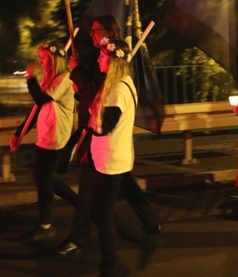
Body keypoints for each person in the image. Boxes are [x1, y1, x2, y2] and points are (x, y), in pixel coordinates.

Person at [58, 16, 160, 257]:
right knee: (121, 185)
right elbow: (92, 91)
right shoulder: (105, 63)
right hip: (109, 150)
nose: (92, 35)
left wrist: (76, 72)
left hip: (105, 146)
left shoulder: (116, 76)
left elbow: (98, 96)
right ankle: (148, 223)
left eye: (96, 31)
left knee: (96, 203)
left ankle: (84, 239)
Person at [10, 41, 76, 241]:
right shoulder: (50, 79)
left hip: (57, 137)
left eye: (45, 58)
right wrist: (19, 132)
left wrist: (30, 77)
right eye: (40, 59)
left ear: (55, 59)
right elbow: (37, 109)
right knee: (43, 178)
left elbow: (40, 99)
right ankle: (80, 204)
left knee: (43, 179)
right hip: (45, 136)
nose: (41, 62)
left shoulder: (64, 79)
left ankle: (45, 225)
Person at [87, 37, 138, 275]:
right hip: (111, 158)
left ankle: (110, 263)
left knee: (102, 213)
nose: (98, 59)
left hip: (111, 161)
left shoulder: (118, 90)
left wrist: (89, 120)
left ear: (113, 60)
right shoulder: (122, 83)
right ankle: (127, 244)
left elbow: (103, 127)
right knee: (100, 211)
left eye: (102, 56)